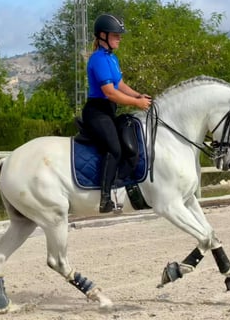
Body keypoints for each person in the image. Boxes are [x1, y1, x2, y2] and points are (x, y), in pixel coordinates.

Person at [82, 13, 152, 213]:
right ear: (103, 36)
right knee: (114, 148)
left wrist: (139, 96)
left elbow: (120, 84)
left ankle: (124, 184)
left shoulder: (111, 58)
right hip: (97, 111)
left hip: (108, 110)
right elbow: (110, 92)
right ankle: (104, 198)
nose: (119, 38)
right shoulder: (98, 59)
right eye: (116, 35)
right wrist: (137, 104)